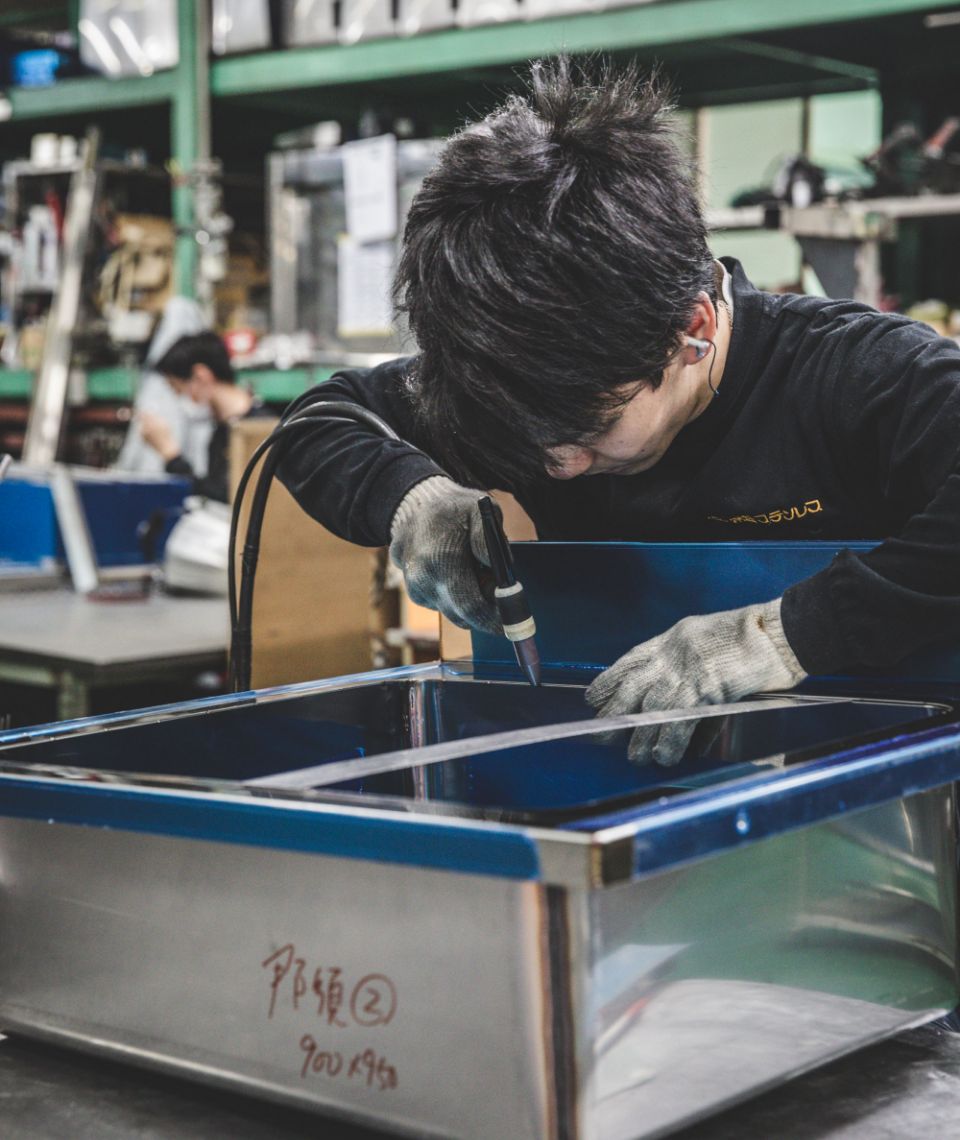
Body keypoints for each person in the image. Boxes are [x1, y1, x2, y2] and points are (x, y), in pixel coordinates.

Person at [278, 58, 960, 764]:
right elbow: (317, 421)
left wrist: (784, 636)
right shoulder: (521, 383)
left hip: (885, 781)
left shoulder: (857, 373)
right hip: (620, 775)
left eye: (593, 425)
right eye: (526, 437)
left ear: (693, 329)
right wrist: (411, 500)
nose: (559, 466)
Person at [139, 331, 259, 503]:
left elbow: (228, 499)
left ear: (200, 377)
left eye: (177, 389)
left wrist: (171, 454)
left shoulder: (258, 431)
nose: (179, 399)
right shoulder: (221, 432)